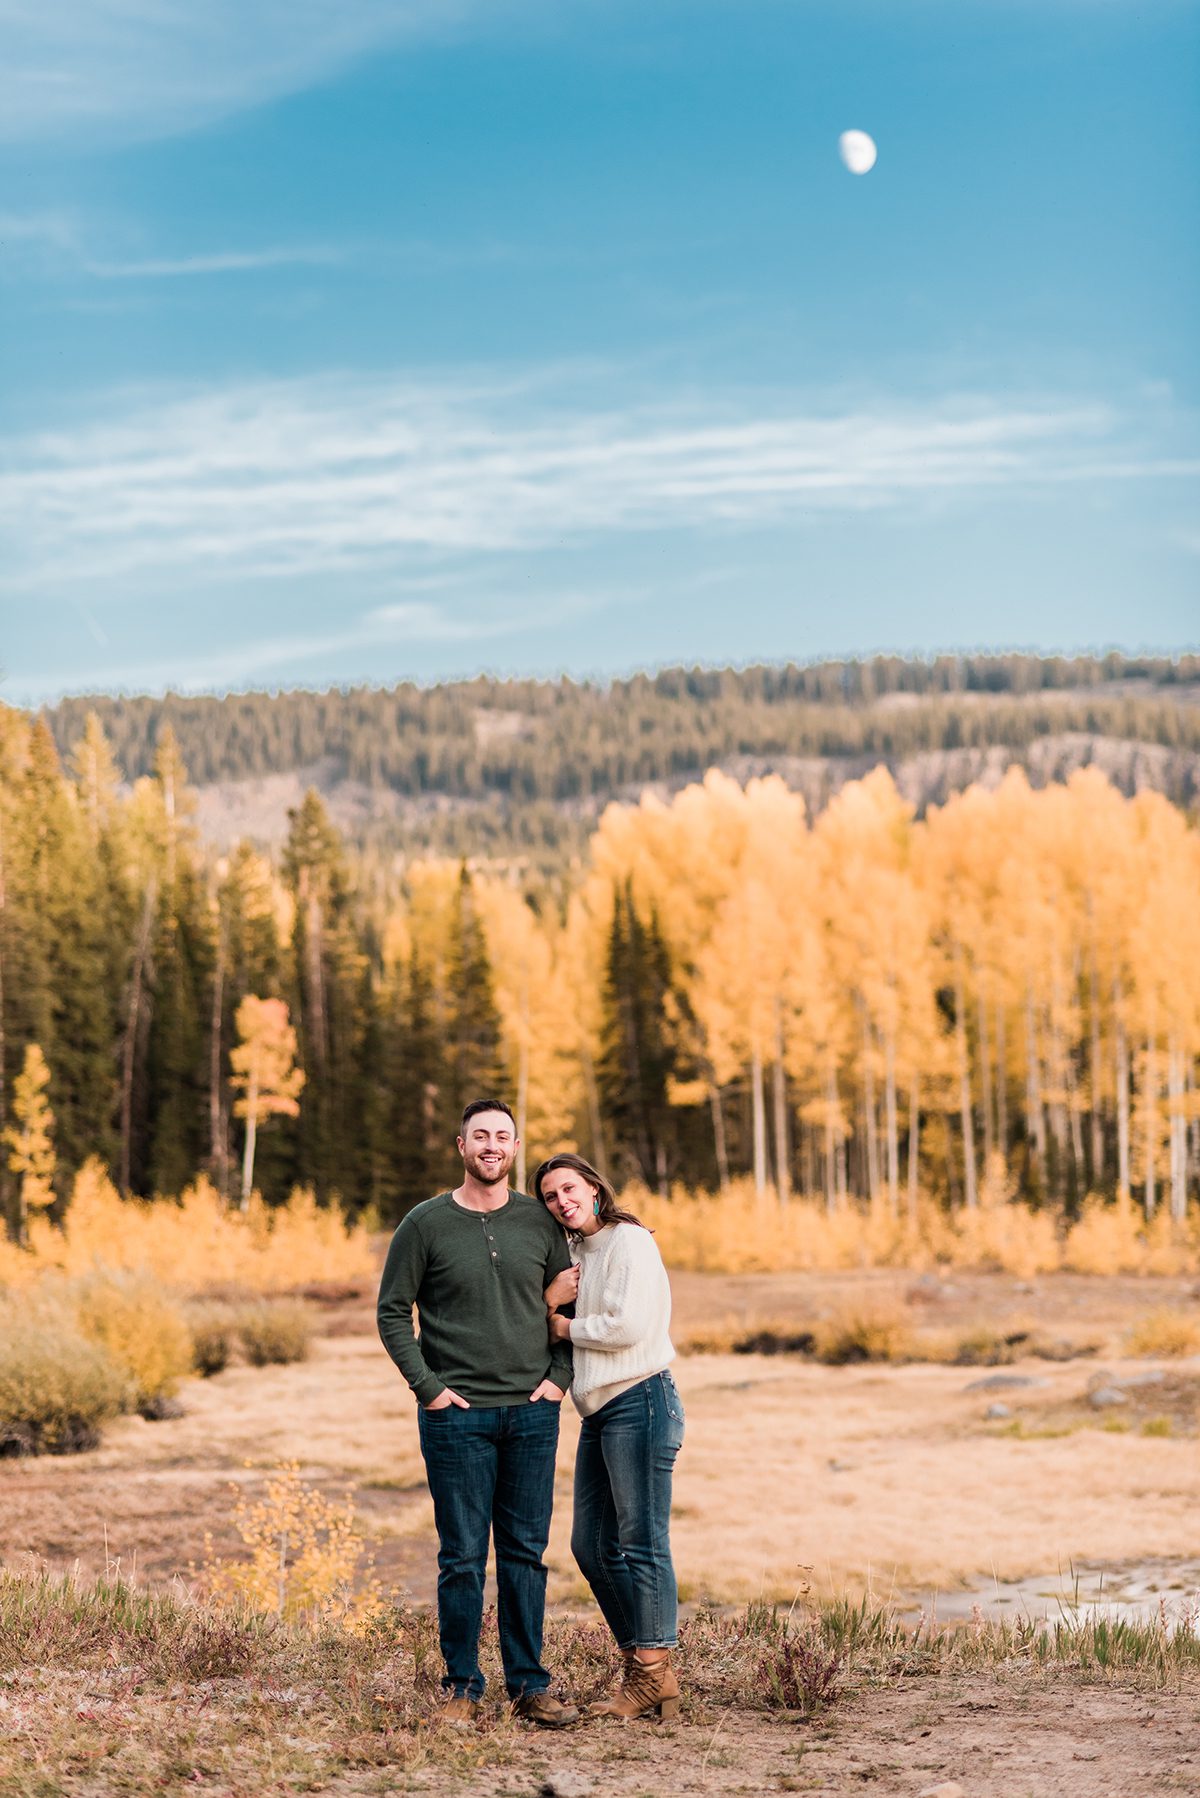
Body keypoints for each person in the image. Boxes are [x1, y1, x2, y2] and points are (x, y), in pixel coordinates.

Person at [377, 1099, 579, 1727]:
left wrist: (559, 1381)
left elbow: (572, 1303)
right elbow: (392, 1312)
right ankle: (461, 1689)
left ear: (514, 1148)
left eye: (503, 1136)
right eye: (481, 1135)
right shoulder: (424, 1224)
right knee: (462, 1557)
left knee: (525, 1553)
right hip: (455, 1418)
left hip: (532, 1413)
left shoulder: (539, 1222)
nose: (492, 1145)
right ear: (460, 1144)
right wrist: (429, 1389)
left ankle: (529, 1686)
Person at [536, 1153, 684, 1721]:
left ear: (593, 1187)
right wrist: (552, 1300)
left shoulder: (630, 1242)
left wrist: (565, 1325)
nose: (561, 1201)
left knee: (642, 1541)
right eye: (550, 1196)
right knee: (590, 1546)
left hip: (641, 1399)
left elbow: (630, 1327)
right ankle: (650, 1671)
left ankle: (649, 1673)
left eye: (568, 1188)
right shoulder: (573, 1254)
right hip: (598, 1411)